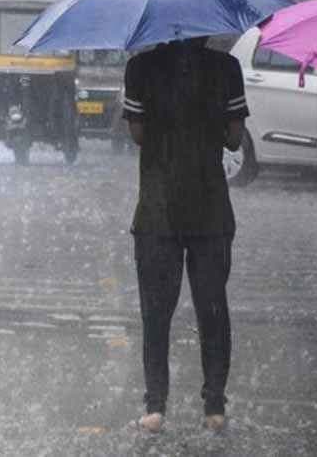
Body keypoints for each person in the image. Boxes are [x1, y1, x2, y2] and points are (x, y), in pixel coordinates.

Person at [121, 36, 248, 434]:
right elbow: (234, 138)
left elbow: (138, 134)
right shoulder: (226, 68)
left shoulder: (140, 68)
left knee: (156, 313)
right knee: (213, 310)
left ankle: (155, 406)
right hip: (210, 209)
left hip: (158, 210)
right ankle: (214, 407)